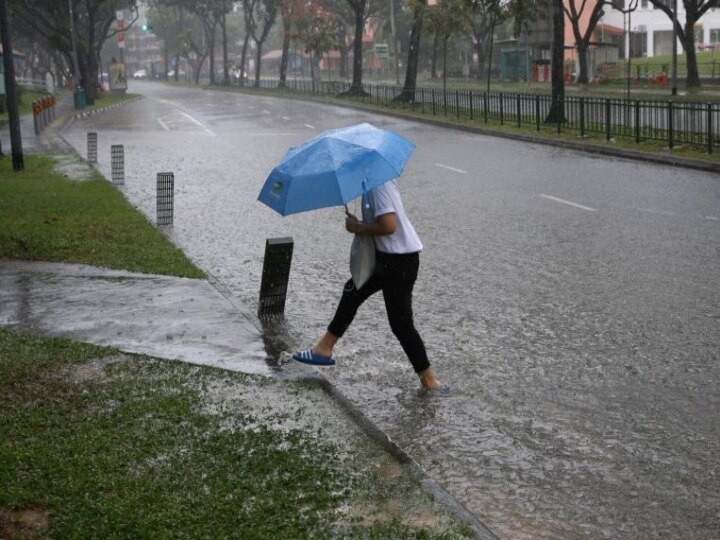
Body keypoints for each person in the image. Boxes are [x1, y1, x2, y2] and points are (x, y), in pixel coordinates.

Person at [292, 179, 444, 390]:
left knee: (401, 324)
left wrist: (359, 227)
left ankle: (430, 381)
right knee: (352, 291)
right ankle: (324, 348)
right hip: (388, 259)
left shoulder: (378, 185)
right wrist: (359, 226)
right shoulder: (372, 182)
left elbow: (389, 225)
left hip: (400, 261)